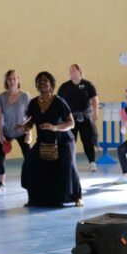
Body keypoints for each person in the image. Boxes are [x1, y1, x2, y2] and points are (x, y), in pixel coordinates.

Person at [19, 71, 84, 208]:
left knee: (68, 165)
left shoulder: (59, 101)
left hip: (64, 140)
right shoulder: (33, 103)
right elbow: (30, 123)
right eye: (39, 81)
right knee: (30, 164)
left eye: (45, 80)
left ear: (51, 85)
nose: (42, 82)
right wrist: (23, 128)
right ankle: (34, 198)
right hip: (44, 141)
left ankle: (77, 196)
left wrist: (55, 127)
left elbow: (71, 123)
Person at [0, 70, 32, 192]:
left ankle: (31, 180)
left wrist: (29, 132)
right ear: (6, 81)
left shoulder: (25, 96)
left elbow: (30, 116)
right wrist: (0, 135)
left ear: (18, 80)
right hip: (6, 131)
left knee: (29, 158)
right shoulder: (1, 97)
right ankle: (1, 183)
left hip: (22, 131)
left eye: (14, 78)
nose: (12, 81)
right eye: (9, 79)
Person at [57, 64, 99, 172]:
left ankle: (92, 162)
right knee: (70, 141)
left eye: (74, 70)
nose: (72, 73)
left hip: (85, 117)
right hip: (70, 119)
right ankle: (69, 163)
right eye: (70, 71)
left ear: (80, 71)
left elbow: (94, 99)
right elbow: (58, 102)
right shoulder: (64, 86)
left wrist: (95, 112)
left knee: (87, 140)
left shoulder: (87, 85)